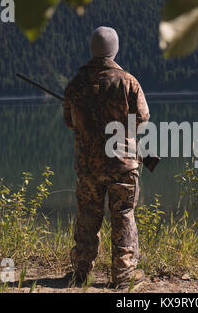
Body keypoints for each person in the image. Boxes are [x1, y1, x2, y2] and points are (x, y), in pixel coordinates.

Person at [62, 26, 150, 289]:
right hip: (122, 165)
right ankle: (123, 277)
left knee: (88, 215)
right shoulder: (128, 81)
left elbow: (70, 121)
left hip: (88, 167)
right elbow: (142, 120)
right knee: (123, 215)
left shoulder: (75, 84)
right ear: (115, 50)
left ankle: (80, 273)